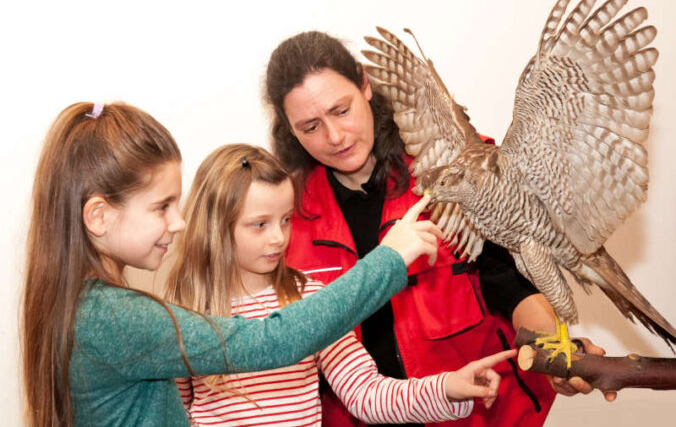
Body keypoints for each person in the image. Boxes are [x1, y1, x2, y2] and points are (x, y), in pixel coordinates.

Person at [21, 102, 447, 427]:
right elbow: (268, 341)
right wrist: (389, 259)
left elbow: (366, 392)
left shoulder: (91, 310)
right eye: (162, 207)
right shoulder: (116, 317)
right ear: (98, 216)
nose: (178, 221)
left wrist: (445, 388)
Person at [264, 31, 614, 427]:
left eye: (340, 110)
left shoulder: (458, 175)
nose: (334, 136)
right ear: (289, 129)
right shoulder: (282, 220)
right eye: (310, 126)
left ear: (365, 85)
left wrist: (552, 352)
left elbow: (512, 283)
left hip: (477, 417)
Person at [165, 143, 516, 426]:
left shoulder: (309, 299)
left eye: (286, 220)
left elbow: (367, 395)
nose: (278, 238)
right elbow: (169, 414)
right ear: (216, 226)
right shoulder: (182, 310)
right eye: (259, 224)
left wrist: (448, 388)